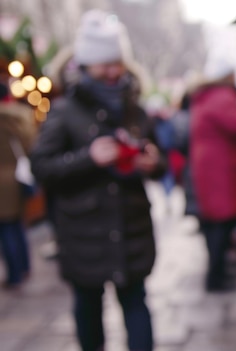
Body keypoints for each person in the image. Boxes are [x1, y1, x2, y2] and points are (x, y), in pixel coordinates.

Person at [30, 9, 165, 351]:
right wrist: (88, 157)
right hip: (82, 232)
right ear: (86, 64)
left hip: (131, 224)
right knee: (88, 308)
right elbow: (42, 167)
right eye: (103, 63)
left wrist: (152, 163)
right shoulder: (63, 111)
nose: (112, 71)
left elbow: (159, 159)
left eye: (117, 62)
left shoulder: (135, 107)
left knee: (136, 302)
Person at [188, 58, 236, 292]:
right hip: (222, 170)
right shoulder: (221, 96)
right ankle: (215, 277)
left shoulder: (206, 97)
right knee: (222, 224)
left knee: (215, 224)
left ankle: (217, 274)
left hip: (213, 168)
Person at [0, 79, 36, 289]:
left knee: (6, 229)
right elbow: (30, 143)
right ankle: (24, 266)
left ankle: (14, 274)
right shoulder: (18, 117)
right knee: (17, 224)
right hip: (17, 176)